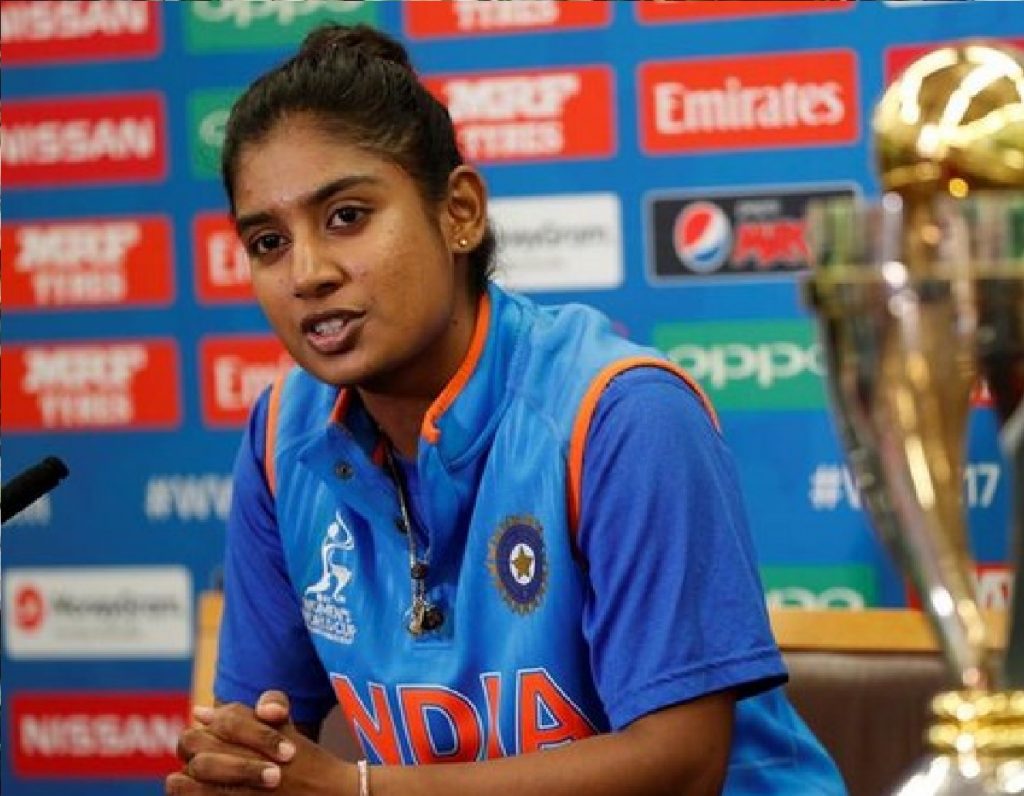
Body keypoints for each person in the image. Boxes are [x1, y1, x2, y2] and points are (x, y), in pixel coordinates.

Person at [167, 23, 846, 796]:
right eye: (267, 242)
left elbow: (682, 765)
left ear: (459, 212)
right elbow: (256, 740)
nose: (307, 273)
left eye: (347, 216)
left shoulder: (623, 416)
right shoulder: (281, 438)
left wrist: (360, 792)